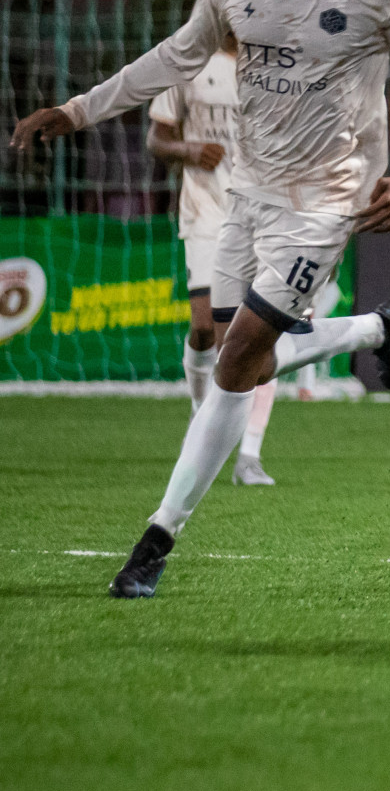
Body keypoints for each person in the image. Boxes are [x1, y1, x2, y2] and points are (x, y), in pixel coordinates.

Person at [9, 0, 390, 598]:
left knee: (236, 360)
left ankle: (155, 541)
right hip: (244, 196)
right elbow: (175, 57)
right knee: (237, 360)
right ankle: (378, 330)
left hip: (325, 202)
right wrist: (78, 109)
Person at [146, 31, 279, 485]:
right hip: (205, 213)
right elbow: (157, 138)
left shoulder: (276, 68)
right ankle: (200, 420)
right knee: (204, 328)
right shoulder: (188, 63)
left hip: (260, 216)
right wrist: (188, 150)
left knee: (261, 340)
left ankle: (250, 455)